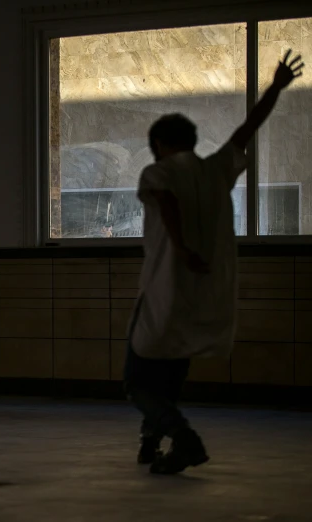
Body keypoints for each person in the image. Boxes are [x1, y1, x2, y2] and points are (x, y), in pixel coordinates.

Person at [125, 50, 304, 475]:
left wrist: (183, 247)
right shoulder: (216, 169)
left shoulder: (158, 173)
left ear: (160, 146)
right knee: (170, 377)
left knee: (137, 381)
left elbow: (166, 203)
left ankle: (183, 438)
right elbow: (247, 130)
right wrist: (275, 88)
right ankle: (152, 442)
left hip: (163, 292)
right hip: (204, 297)